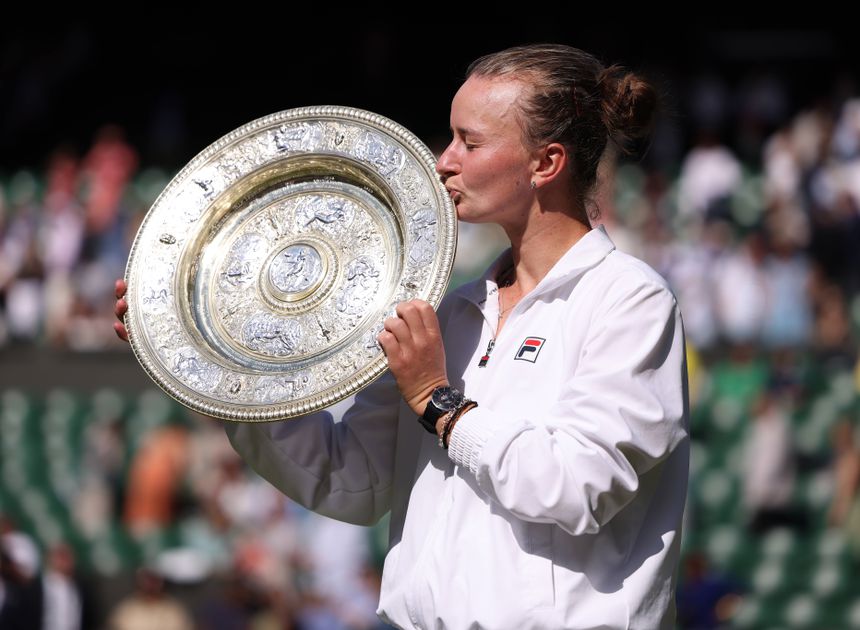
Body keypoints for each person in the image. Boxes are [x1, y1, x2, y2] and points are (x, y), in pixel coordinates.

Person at [116, 44, 690, 629]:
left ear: (545, 163)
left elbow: (578, 486)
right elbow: (353, 481)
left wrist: (440, 405)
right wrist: (217, 375)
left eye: (470, 142)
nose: (444, 161)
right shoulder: (451, 310)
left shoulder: (629, 300)